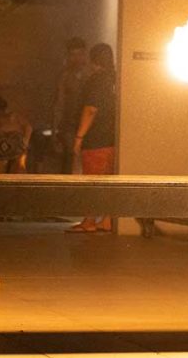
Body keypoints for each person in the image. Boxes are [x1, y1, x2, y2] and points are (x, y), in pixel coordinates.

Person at [66, 43, 117, 233]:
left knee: (91, 182)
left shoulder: (96, 80)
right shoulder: (116, 79)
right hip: (113, 139)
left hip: (95, 141)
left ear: (93, 60)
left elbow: (91, 109)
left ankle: (88, 221)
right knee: (110, 181)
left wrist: (79, 137)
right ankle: (107, 220)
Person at [52, 37, 92, 174]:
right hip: (69, 126)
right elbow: (59, 105)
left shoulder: (92, 75)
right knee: (70, 160)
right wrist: (55, 131)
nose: (76, 58)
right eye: (73, 55)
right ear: (68, 56)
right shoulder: (64, 77)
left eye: (79, 54)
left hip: (91, 125)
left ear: (85, 54)